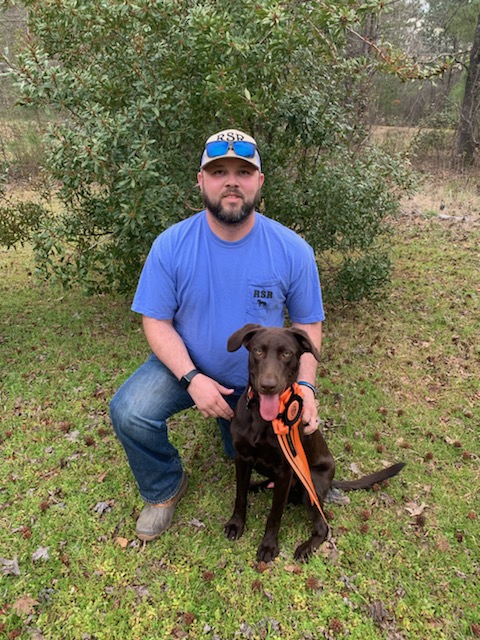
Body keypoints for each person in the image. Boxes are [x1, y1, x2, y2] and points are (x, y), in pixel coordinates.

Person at [110, 128, 325, 542]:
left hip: (262, 386)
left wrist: (305, 386)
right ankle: (163, 490)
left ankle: (230, 427)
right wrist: (192, 379)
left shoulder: (292, 249)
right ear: (201, 181)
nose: (231, 181)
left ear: (259, 182)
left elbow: (306, 326)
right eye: (219, 171)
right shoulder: (171, 245)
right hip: (187, 367)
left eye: (243, 172)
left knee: (243, 454)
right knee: (130, 411)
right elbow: (156, 321)